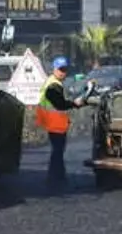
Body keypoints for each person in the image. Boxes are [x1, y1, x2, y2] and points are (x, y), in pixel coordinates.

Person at [35, 56, 87, 185]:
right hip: (54, 122)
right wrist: (74, 104)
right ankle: (54, 178)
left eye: (65, 69)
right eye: (60, 69)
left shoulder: (54, 82)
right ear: (54, 69)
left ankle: (59, 176)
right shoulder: (53, 85)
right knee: (57, 150)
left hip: (53, 121)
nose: (63, 72)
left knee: (58, 150)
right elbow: (59, 104)